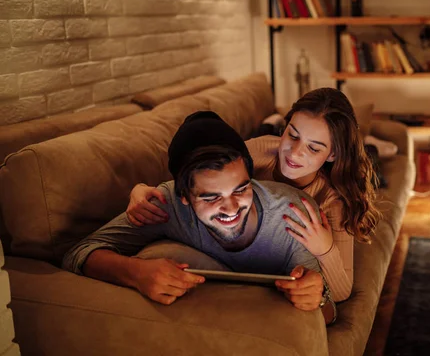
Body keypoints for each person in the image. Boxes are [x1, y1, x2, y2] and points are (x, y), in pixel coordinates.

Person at [62, 111, 335, 322]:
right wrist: (136, 273)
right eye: (211, 197)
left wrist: (317, 297)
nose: (231, 208)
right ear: (184, 196)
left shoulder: (294, 213)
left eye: (241, 189)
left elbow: (331, 311)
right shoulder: (165, 204)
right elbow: (78, 253)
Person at [127, 88, 382, 302]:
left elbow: (341, 292)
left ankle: (373, 151)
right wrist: (142, 189)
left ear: (333, 154)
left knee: (371, 159)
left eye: (314, 148)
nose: (294, 153)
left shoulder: (332, 202)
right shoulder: (260, 149)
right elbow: (202, 179)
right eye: (292, 135)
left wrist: (325, 249)